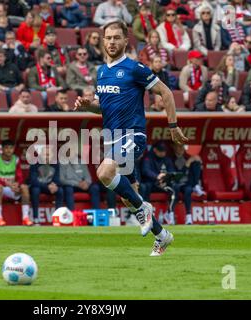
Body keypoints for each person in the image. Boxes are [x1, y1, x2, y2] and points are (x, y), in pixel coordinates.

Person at [74, 20, 188, 256]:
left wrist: (173, 125)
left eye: (117, 37)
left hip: (132, 135)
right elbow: (103, 108)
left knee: (104, 173)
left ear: (126, 40)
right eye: (108, 38)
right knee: (130, 198)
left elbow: (165, 92)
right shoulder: (102, 72)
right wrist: (88, 105)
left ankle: (144, 208)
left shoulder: (135, 68)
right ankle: (162, 236)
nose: (112, 42)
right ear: (103, 41)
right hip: (113, 138)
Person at [0, 140, 32, 226]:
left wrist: (17, 184)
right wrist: (9, 185)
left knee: (24, 188)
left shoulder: (16, 159)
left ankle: (26, 218)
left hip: (9, 187)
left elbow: (19, 177)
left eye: (11, 148)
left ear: (14, 149)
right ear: (2, 149)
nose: (9, 150)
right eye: (6, 148)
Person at [139, 141, 177, 225]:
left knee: (174, 188)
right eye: (161, 151)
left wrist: (165, 178)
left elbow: (172, 172)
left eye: (164, 151)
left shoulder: (167, 159)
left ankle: (169, 213)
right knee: (145, 186)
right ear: (155, 150)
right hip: (151, 183)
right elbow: (145, 171)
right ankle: (147, 214)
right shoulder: (148, 158)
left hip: (163, 184)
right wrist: (157, 177)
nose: (163, 153)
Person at [29, 146, 64, 225]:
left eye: (49, 154)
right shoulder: (35, 164)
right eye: (45, 154)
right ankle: (36, 218)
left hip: (49, 187)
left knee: (60, 190)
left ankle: (58, 218)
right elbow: (33, 181)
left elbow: (58, 179)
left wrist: (54, 185)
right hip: (38, 186)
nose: (47, 157)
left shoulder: (55, 164)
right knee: (35, 190)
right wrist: (47, 186)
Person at [171, 143, 205, 225]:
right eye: (178, 147)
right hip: (176, 183)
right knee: (175, 189)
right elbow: (177, 175)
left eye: (182, 146)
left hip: (187, 183)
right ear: (174, 147)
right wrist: (187, 164)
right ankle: (170, 215)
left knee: (188, 190)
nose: (181, 148)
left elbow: (195, 171)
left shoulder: (187, 157)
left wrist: (199, 162)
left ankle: (189, 217)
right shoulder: (171, 159)